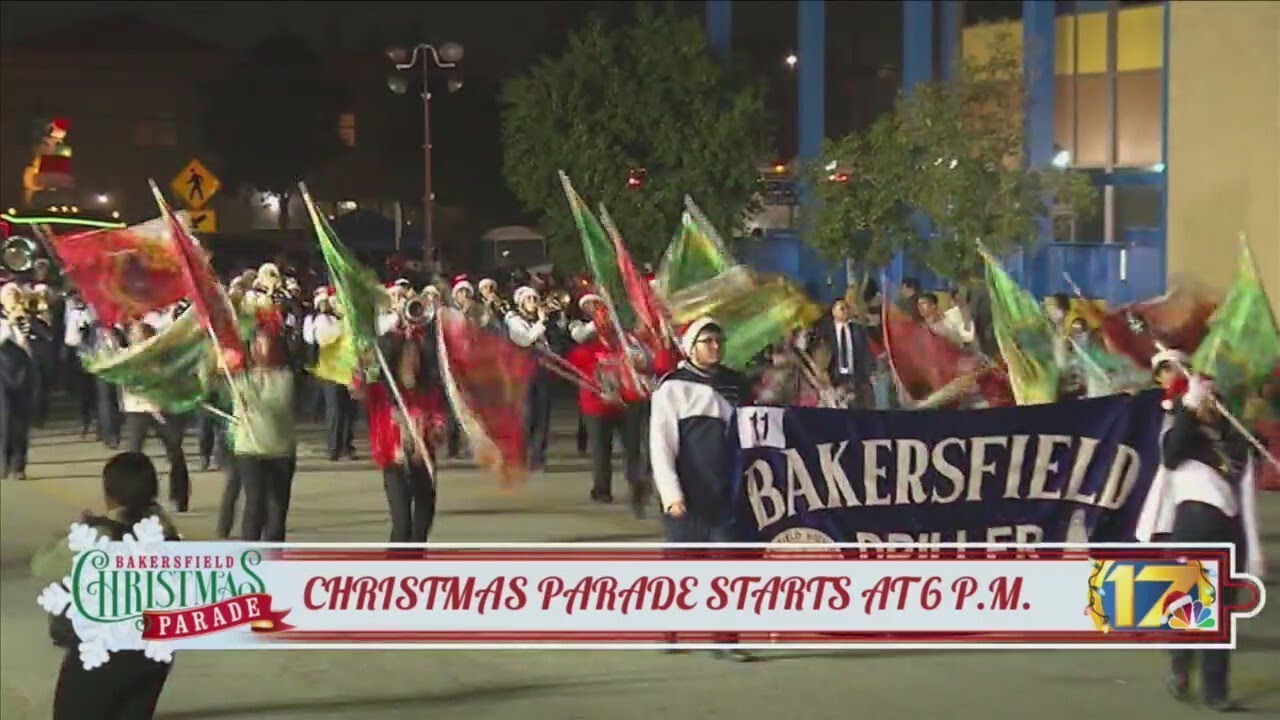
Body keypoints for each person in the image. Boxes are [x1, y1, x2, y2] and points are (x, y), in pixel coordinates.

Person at [33, 452, 179, 719]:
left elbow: (42, 566)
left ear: (109, 494)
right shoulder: (166, 529)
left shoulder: (98, 535)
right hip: (153, 655)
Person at [1158, 374, 1264, 711]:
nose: (1210, 401)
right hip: (1194, 525)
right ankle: (1180, 667)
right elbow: (1171, 455)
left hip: (1229, 528)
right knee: (1191, 606)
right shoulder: (1180, 432)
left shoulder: (1234, 437)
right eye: (1205, 395)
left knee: (1222, 615)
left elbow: (1246, 480)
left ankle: (1215, 689)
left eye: (1214, 395)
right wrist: (1188, 408)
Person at [649, 316, 751, 662]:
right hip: (689, 490)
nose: (715, 347)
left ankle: (726, 638)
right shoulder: (672, 387)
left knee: (728, 564)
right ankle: (671, 629)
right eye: (707, 341)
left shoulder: (736, 384)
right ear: (690, 347)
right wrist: (671, 493)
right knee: (683, 563)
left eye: (719, 340)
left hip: (728, 488)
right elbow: (661, 445)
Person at [357, 333, 446, 542]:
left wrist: (435, 431)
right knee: (402, 524)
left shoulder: (428, 390)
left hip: (423, 460)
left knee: (422, 525)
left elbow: (438, 416)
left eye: (415, 355)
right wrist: (360, 367)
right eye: (407, 355)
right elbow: (358, 391)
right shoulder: (382, 391)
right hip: (395, 463)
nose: (412, 360)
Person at [231, 320, 297, 541]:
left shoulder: (285, 377)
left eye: (265, 343)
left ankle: (274, 561)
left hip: (280, 450)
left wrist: (248, 398)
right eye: (256, 343)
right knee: (255, 504)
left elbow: (276, 406)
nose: (260, 348)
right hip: (249, 449)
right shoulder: (239, 377)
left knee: (277, 511)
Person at [118, 322, 191, 512]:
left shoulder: (160, 356)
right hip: (137, 409)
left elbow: (167, 380)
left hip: (162, 408)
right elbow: (129, 383)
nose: (136, 338)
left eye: (141, 334)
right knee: (133, 455)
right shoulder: (127, 357)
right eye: (133, 334)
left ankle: (180, 495)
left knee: (175, 451)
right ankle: (130, 498)